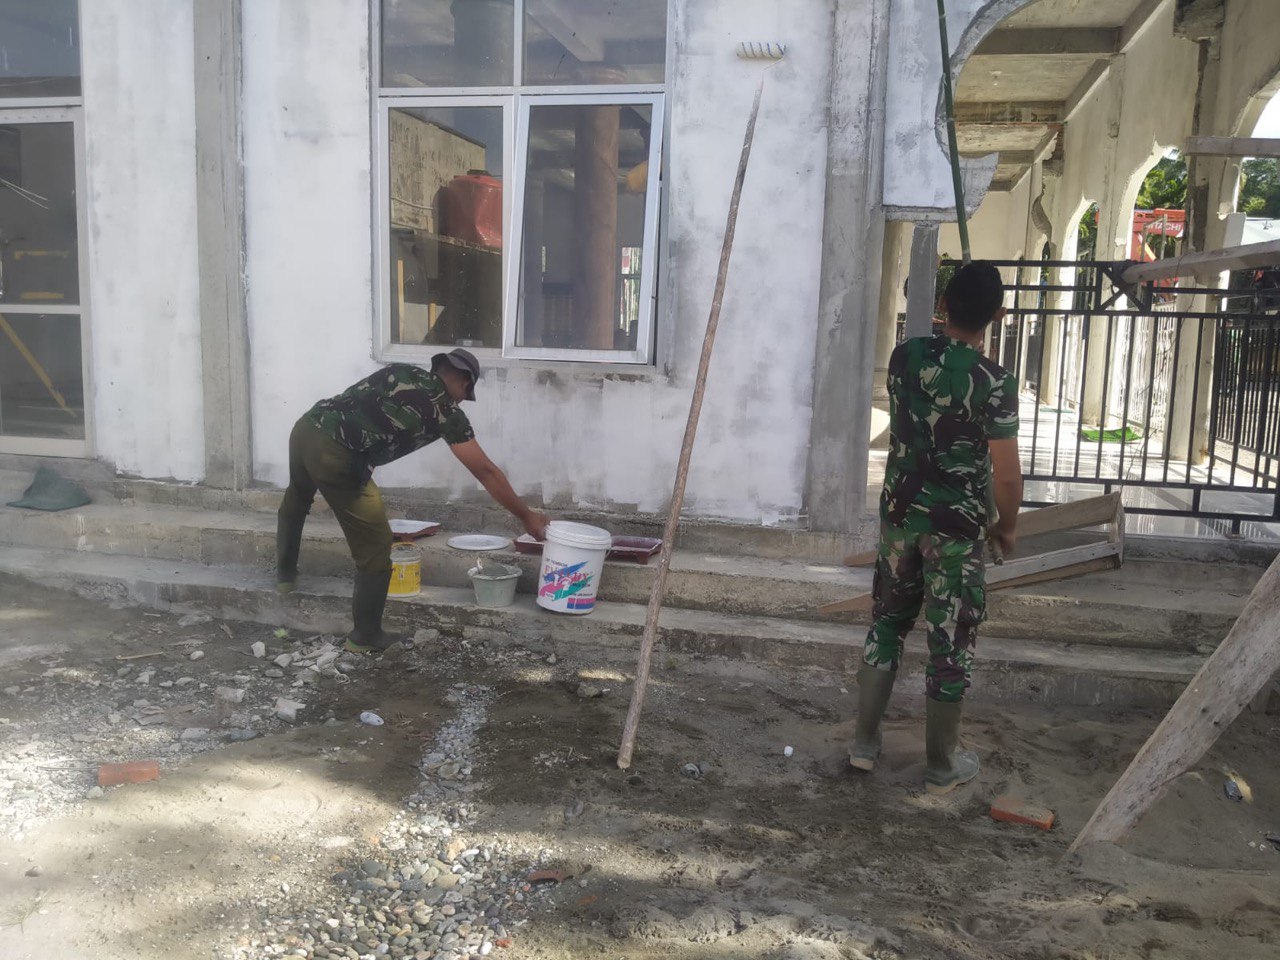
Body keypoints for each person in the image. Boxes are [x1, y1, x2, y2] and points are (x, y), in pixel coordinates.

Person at [849, 261, 1023, 795]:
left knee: (887, 623)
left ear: (943, 307)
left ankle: (862, 743)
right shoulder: (994, 383)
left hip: (901, 519)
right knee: (951, 641)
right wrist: (1006, 529)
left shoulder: (907, 357)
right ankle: (942, 764)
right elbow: (1008, 478)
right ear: (999, 314)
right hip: (955, 532)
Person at [275, 349, 549, 654]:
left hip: (306, 427)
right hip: (336, 453)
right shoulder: (446, 411)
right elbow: (486, 472)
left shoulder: (401, 372)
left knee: (297, 497)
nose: (461, 401)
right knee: (377, 542)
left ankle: (285, 576)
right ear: (462, 380)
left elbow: (367, 412)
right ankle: (365, 636)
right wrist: (527, 516)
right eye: (465, 393)